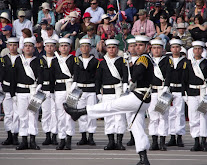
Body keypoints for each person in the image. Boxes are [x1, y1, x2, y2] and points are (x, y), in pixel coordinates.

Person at [64, 35, 154, 165]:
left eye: (140, 45)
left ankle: (80, 112)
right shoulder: (145, 58)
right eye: (136, 45)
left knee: (110, 106)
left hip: (138, 97)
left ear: (147, 47)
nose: (137, 47)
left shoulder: (143, 58)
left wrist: (132, 78)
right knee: (137, 126)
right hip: (142, 98)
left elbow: (137, 73)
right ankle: (143, 158)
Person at [95, 39, 128, 150]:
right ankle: (110, 142)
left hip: (119, 92)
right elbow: (98, 79)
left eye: (113, 47)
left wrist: (125, 87)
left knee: (120, 117)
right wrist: (97, 93)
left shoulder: (122, 61)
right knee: (108, 117)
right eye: (109, 48)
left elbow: (125, 76)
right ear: (106, 49)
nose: (111, 50)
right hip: (107, 92)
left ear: (117, 48)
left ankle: (119, 142)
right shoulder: (102, 62)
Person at [11, 38, 43, 150]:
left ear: (34, 48)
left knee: (33, 115)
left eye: (30, 46)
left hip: (34, 91)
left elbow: (41, 75)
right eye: (26, 46)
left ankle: (33, 140)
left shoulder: (38, 60)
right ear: (23, 48)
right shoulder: (18, 60)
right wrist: (13, 94)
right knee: (22, 116)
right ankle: (24, 140)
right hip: (21, 91)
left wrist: (39, 87)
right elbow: (13, 78)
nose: (28, 48)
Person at [182, 41, 207, 151]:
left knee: (204, 116)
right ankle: (196, 141)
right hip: (192, 93)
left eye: (199, 49)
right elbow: (184, 79)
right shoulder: (188, 63)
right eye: (195, 49)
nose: (197, 51)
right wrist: (184, 93)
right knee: (193, 117)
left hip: (203, 93)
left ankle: (203, 141)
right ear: (192, 50)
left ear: (202, 50)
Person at [50, 38, 76, 150]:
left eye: (66, 46)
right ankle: (62, 138)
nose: (64, 48)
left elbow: (77, 74)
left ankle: (69, 139)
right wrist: (52, 91)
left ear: (69, 48)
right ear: (59, 48)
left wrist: (75, 86)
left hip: (71, 88)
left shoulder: (74, 59)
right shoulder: (55, 60)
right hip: (59, 88)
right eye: (62, 46)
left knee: (70, 114)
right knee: (60, 115)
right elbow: (51, 77)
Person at [147, 39, 173, 151]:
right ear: (151, 49)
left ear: (162, 49)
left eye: (158, 48)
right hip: (152, 91)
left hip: (163, 90)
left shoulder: (167, 60)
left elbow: (169, 74)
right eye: (154, 48)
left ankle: (162, 141)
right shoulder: (148, 60)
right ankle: (154, 141)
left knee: (163, 116)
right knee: (153, 117)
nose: (156, 50)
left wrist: (166, 86)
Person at [73, 38, 99, 145]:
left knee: (91, 113)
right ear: (80, 48)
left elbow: (98, 78)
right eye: (83, 46)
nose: (85, 48)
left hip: (91, 89)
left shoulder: (95, 61)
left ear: (90, 48)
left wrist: (98, 92)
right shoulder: (76, 60)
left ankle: (91, 136)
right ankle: (83, 136)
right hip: (79, 90)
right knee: (81, 114)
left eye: (87, 46)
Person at [166, 39, 187, 147]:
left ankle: (179, 136)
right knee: (170, 113)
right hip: (169, 90)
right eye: (173, 47)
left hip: (179, 90)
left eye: (177, 47)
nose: (175, 49)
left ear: (180, 48)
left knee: (180, 113)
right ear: (170, 49)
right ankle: (172, 136)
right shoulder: (167, 60)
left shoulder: (185, 61)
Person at [0, 37, 20, 146]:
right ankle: (9, 136)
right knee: (8, 114)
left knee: (16, 114)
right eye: (10, 45)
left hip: (17, 90)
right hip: (6, 89)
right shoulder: (3, 59)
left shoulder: (21, 58)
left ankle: (15, 135)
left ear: (18, 46)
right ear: (7, 46)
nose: (12, 47)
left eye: (15, 45)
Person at [40, 39, 58, 146]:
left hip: (55, 89)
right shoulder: (40, 60)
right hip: (43, 89)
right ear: (45, 48)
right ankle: (47, 135)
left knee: (55, 113)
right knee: (45, 113)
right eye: (48, 46)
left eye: (52, 46)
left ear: (55, 48)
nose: (50, 48)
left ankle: (54, 135)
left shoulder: (58, 60)